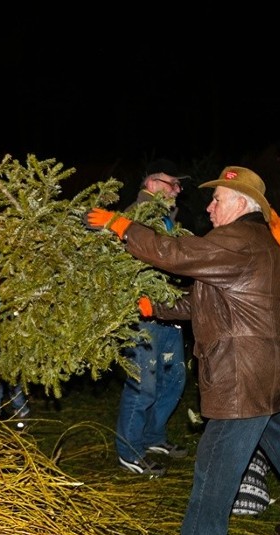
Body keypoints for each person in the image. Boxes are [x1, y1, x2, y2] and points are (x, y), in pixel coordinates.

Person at [86, 165, 280, 535]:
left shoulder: (235, 239)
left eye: (217, 199)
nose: (210, 207)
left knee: (215, 464)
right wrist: (158, 308)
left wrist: (122, 226)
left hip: (245, 376)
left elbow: (175, 254)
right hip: (278, 372)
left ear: (239, 203)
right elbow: (213, 301)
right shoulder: (262, 244)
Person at [114, 159, 189, 477]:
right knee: (143, 385)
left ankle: (152, 436)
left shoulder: (169, 220)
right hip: (142, 317)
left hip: (168, 314)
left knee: (173, 379)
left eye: (179, 185)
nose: (178, 190)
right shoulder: (137, 217)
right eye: (173, 184)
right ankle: (129, 451)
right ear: (153, 185)